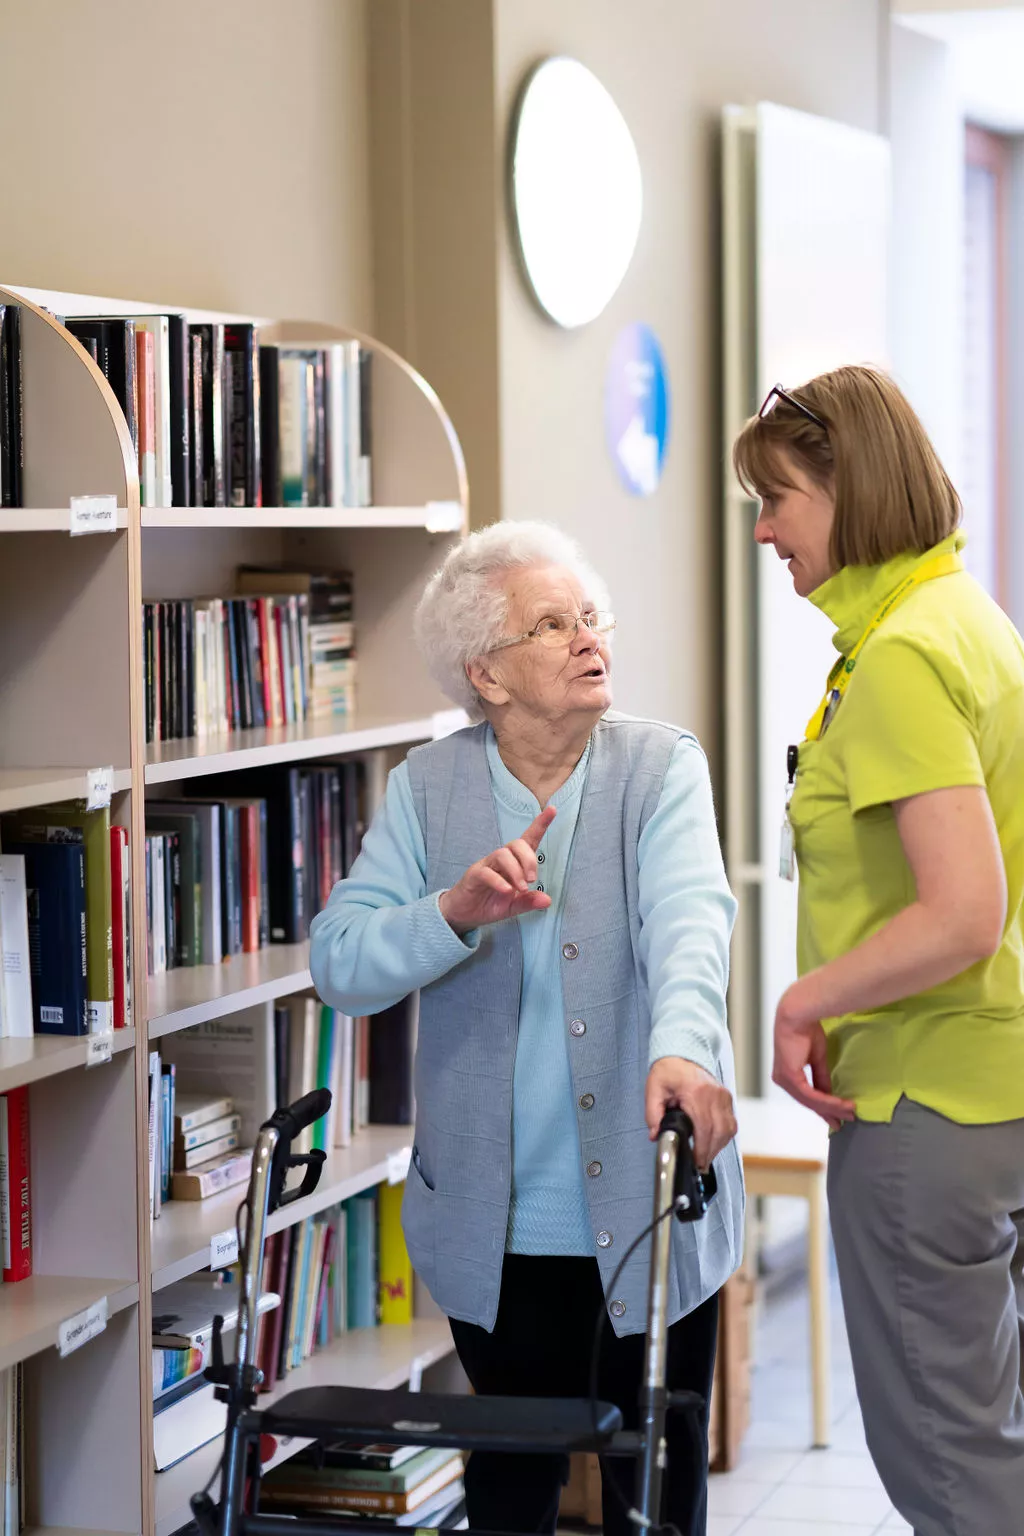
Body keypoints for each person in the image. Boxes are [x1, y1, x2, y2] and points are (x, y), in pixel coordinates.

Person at [309, 520, 743, 1535]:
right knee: (509, 1497)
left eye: (589, 617)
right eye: (552, 624)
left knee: (659, 1498)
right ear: (487, 675)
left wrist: (681, 1045)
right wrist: (450, 913)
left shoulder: (658, 768)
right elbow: (340, 960)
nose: (588, 638)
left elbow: (691, 926)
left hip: (650, 1205)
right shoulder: (429, 787)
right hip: (490, 1232)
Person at [734, 366, 1024, 1535]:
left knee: (952, 1474)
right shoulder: (965, 617)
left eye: (778, 498)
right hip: (990, 1092)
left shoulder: (904, 654)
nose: (763, 528)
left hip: (923, 1109)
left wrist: (805, 998)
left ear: (850, 493)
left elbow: (964, 911)